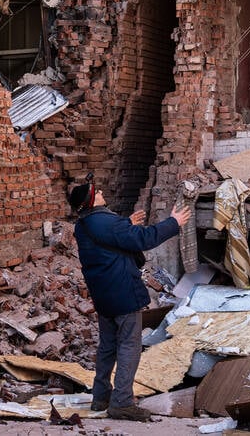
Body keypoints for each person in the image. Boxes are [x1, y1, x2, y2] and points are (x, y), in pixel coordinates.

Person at [68, 177, 192, 422]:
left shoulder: (83, 225)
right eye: (97, 192)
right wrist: (173, 223)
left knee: (107, 347)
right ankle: (122, 402)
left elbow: (110, 237)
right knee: (128, 346)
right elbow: (142, 239)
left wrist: (126, 224)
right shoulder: (106, 221)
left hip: (103, 294)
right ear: (91, 200)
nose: (102, 191)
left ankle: (100, 397)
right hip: (123, 291)